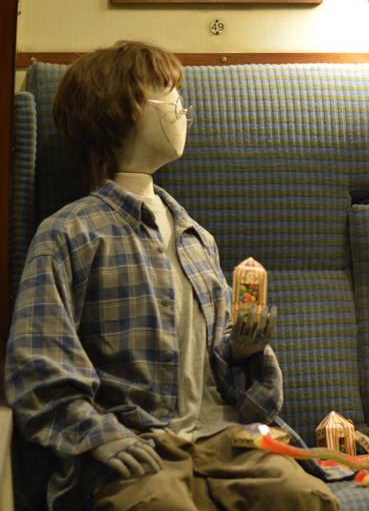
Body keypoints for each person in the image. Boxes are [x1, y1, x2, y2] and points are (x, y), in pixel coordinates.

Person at [4, 40, 339, 511]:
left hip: (226, 435)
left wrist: (243, 351)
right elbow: (37, 360)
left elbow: (217, 357)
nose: (185, 109)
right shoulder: (68, 233)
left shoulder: (197, 238)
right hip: (137, 439)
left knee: (304, 497)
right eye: (171, 94)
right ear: (123, 108)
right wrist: (97, 435)